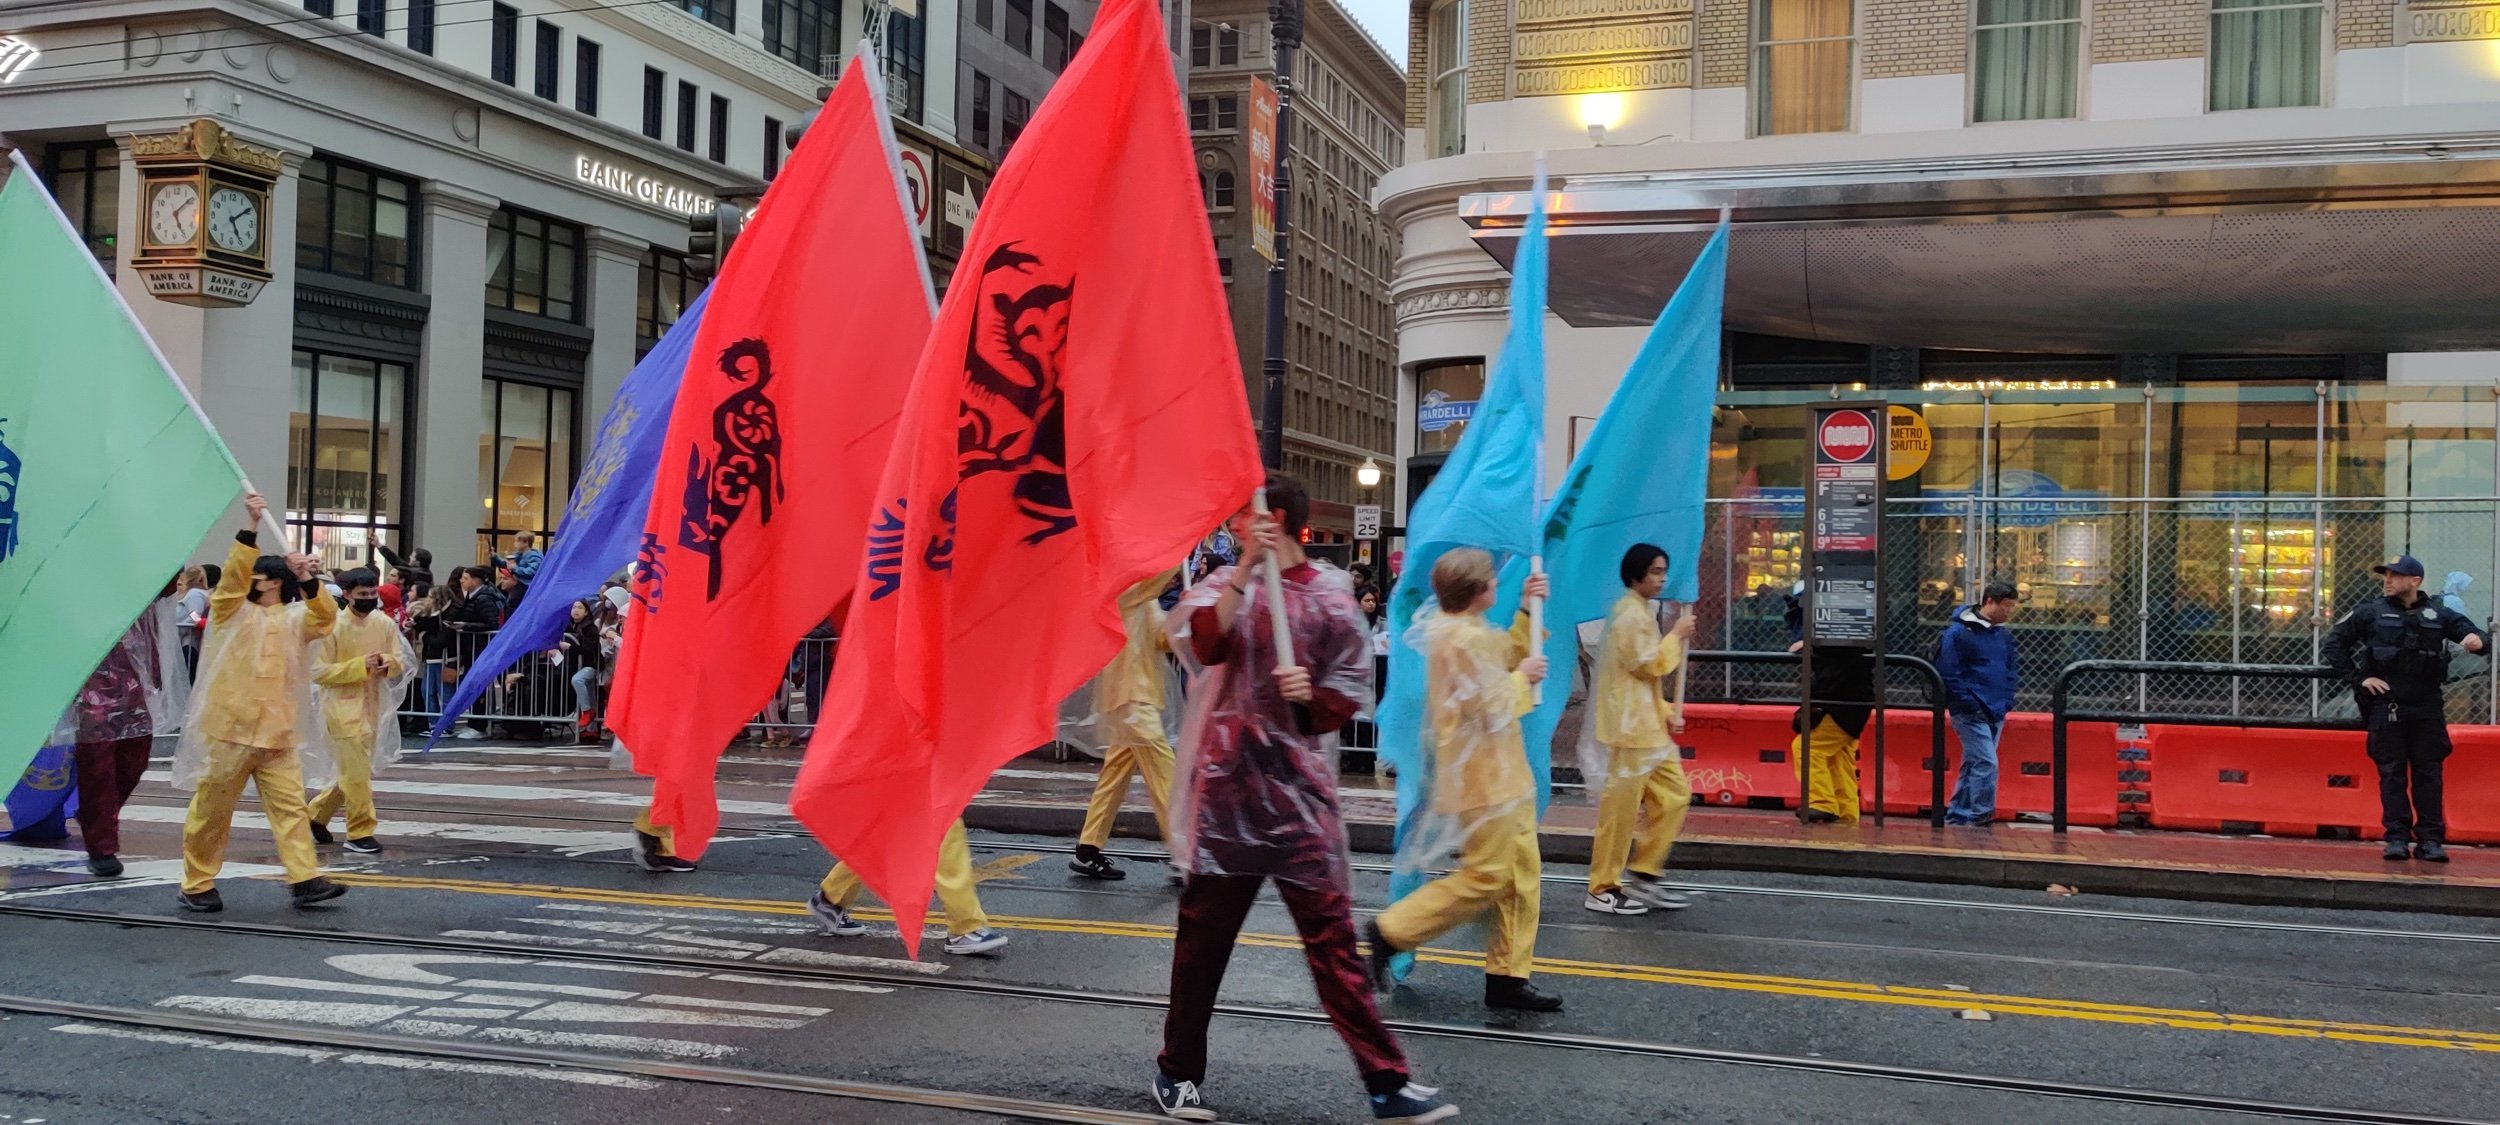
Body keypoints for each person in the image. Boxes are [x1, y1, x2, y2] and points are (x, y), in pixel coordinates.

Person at [1155, 474, 1452, 1125]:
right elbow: (1204, 644)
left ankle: (1387, 1080)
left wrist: (1307, 697)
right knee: (1202, 946)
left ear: (1277, 519)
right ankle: (1176, 1072)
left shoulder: (1329, 598)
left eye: (1241, 515)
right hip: (1228, 800)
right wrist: (1243, 573)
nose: (1232, 524)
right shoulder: (1226, 585)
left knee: (1333, 944)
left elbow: (1344, 695)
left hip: (1298, 804)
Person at [1364, 548, 1559, 1013]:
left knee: (1520, 876)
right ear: (1476, 590)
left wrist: (1528, 613)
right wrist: (1522, 677)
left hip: (1502, 776)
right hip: (1485, 781)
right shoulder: (1459, 638)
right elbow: (1487, 704)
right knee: (1488, 877)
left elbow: (1501, 658)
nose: (1497, 584)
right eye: (1491, 579)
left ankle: (1508, 975)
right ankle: (1393, 931)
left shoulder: (1469, 631)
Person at [170, 493, 346, 912]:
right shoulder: (230, 612)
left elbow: (325, 618)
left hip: (279, 734)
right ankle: (196, 882)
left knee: (291, 810)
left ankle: (304, 878)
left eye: (258, 575)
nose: (248, 579)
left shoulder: (296, 619)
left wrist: (308, 579)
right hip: (229, 731)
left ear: (273, 581)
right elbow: (231, 579)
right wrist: (249, 526)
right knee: (212, 811)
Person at [2327, 555, 2489, 863]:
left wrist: (2476, 640)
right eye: (2386, 575)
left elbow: (2478, 638)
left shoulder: (2439, 614)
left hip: (2427, 707)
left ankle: (2430, 841)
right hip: (2387, 707)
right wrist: (2360, 679)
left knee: (2429, 774)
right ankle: (2397, 838)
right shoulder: (2369, 612)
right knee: (2392, 774)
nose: (2388, 580)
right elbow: (2334, 644)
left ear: (2415, 581)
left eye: (2396, 575)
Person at [1582, 544, 1696, 916]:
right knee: (1620, 813)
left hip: (1646, 728)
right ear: (1637, 574)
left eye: (1664, 572)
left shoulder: (1640, 611)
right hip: (1630, 730)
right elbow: (1647, 665)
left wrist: (1664, 711)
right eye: (1655, 572)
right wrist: (1676, 635)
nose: (1662, 579)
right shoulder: (1629, 614)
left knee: (1675, 795)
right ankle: (1603, 887)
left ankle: (1645, 871)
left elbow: (1640, 680)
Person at [69, 576, 189, 876]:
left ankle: (96, 816)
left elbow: (168, 580)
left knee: (134, 760)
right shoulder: (80, 584)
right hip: (92, 685)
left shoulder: (138, 577)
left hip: (134, 683)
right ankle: (102, 846)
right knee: (97, 768)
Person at [1071, 569, 1182, 881]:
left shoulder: (1146, 597)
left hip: (1136, 697)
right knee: (1165, 772)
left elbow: (1161, 639)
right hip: (1130, 697)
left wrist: (1184, 617)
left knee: (1116, 772)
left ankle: (1088, 847)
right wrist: (1182, 550)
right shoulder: (1125, 587)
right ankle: (1185, 851)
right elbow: (1155, 579)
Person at [305, 568, 417, 853]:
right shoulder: (332, 626)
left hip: (374, 705)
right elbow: (318, 671)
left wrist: (387, 663)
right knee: (356, 773)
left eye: (372, 593)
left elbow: (402, 659)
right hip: (340, 707)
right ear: (346, 594)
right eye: (362, 594)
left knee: (355, 770)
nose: (369, 598)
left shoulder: (384, 623)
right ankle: (359, 831)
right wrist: (358, 666)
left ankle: (315, 815)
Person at [805, 820, 1010, 955]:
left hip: (910, 774)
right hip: (915, 774)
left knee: (884, 835)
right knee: (946, 831)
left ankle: (831, 897)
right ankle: (965, 927)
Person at [1785, 584, 1876, 825]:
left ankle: (1821, 802)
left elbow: (1806, 652)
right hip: (1855, 701)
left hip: (1840, 701)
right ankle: (1847, 814)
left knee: (1806, 747)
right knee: (1839, 757)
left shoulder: (1827, 628)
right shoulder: (1850, 625)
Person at [1938, 581, 2022, 827]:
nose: (2009, 611)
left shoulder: (2000, 635)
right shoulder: (1959, 633)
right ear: (1989, 601)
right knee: (1986, 762)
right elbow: (1950, 673)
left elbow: (2010, 670)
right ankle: (1981, 814)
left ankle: (1959, 814)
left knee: (1975, 762)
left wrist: (2005, 701)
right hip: (1973, 709)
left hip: (1991, 707)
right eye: (2006, 606)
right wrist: (1969, 703)